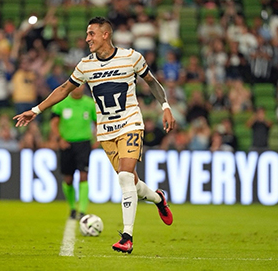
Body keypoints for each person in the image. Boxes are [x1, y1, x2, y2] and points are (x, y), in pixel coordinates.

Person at [14, 17, 175, 254]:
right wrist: (36, 110)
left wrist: (165, 107)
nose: (87, 38)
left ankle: (127, 237)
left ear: (105, 35)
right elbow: (63, 90)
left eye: (91, 34)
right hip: (106, 131)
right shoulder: (85, 66)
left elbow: (152, 82)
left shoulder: (131, 57)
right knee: (132, 183)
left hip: (130, 123)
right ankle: (159, 199)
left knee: (123, 177)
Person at [50, 85, 96, 220]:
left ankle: (82, 210)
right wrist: (59, 139)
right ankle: (72, 208)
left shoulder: (90, 104)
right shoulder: (61, 103)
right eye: (75, 85)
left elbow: (98, 122)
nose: (77, 88)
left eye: (80, 85)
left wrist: (97, 138)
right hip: (66, 144)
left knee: (83, 175)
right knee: (68, 179)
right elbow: (54, 123)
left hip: (84, 143)